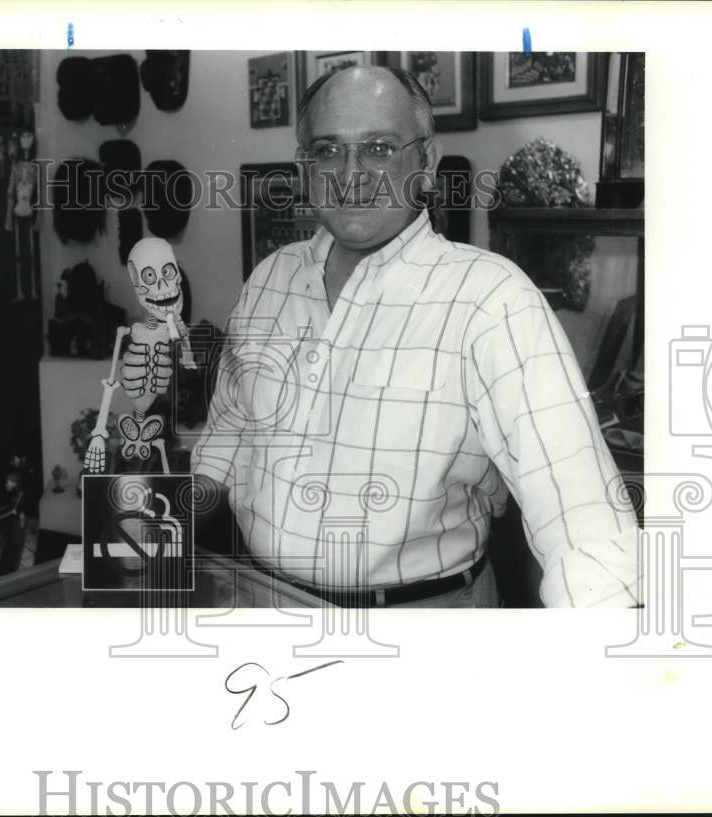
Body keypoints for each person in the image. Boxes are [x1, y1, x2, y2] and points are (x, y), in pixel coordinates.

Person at [186, 64, 639, 608]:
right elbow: (229, 431)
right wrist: (158, 516)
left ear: (424, 162)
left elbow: (583, 517)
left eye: (378, 148)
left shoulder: (490, 299)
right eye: (327, 150)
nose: (350, 174)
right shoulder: (270, 280)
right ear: (304, 166)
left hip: (421, 624)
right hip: (263, 604)